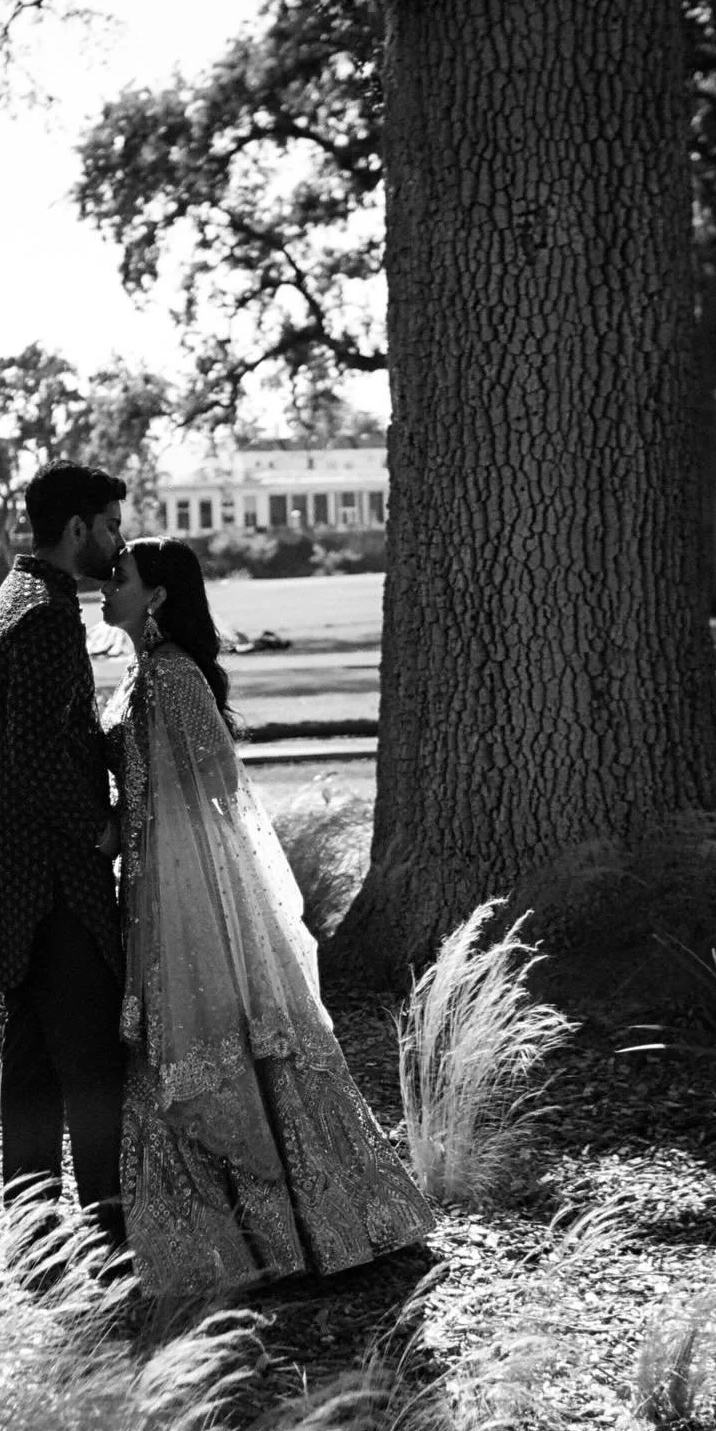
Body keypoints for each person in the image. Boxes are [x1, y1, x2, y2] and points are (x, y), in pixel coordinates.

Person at [100, 537, 434, 1295]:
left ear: (155, 595)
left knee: (214, 1039)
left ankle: (296, 1232)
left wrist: (140, 828)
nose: (104, 589)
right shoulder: (142, 677)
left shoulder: (173, 678)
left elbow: (216, 778)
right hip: (155, 883)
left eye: (118, 578)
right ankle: (227, 1237)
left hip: (187, 890)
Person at [0, 460, 129, 1243]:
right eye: (109, 525)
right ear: (76, 530)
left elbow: (48, 738)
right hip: (54, 885)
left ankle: (33, 1236)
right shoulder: (42, 614)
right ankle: (109, 1235)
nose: (117, 540)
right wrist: (99, 829)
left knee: (32, 1060)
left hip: (28, 884)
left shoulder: (20, 598)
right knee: (92, 1061)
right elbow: (33, 752)